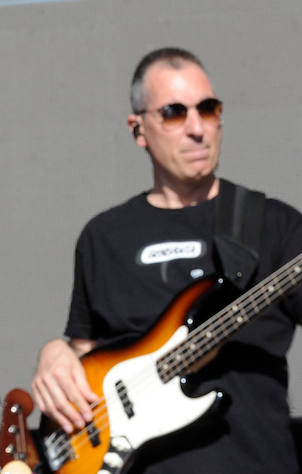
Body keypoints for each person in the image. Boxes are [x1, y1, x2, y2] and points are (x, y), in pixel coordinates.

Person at [31, 47, 302, 473]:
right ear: (138, 129)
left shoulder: (276, 225)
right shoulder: (104, 237)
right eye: (175, 113)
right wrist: (53, 353)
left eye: (208, 109)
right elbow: (83, 356)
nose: (197, 128)